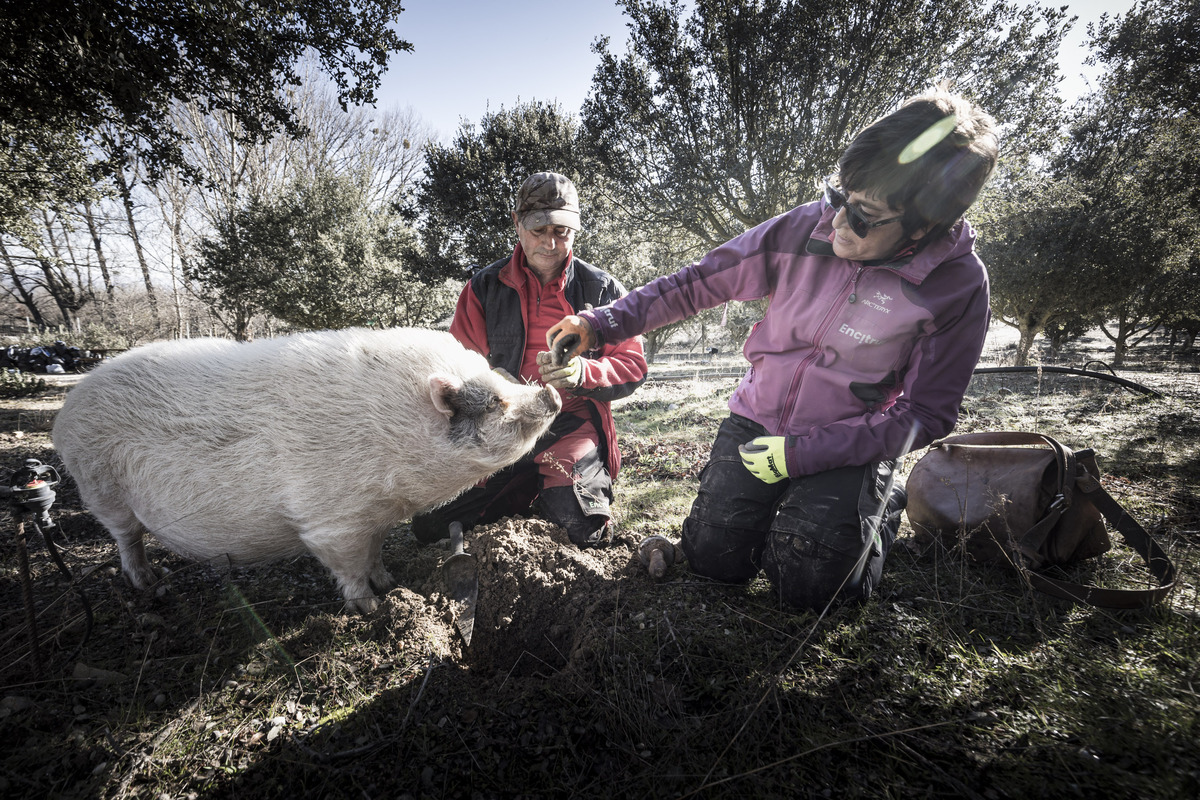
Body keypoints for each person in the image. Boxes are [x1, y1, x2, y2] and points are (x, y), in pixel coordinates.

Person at [549, 88, 999, 609]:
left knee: (814, 590)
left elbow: (926, 414)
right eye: (839, 197)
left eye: (863, 216)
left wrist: (801, 456)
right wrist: (601, 322)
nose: (834, 223)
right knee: (713, 565)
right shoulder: (803, 225)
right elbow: (698, 282)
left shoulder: (958, 285)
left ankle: (877, 504)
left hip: (846, 441)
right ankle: (782, 517)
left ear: (923, 226)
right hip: (755, 421)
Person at [411, 171, 648, 548]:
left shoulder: (602, 288)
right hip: (502, 421)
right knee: (432, 525)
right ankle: (524, 484)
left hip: (572, 423)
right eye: (538, 230)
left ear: (575, 229)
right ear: (517, 224)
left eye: (562, 231)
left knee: (579, 530)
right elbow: (456, 361)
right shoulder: (483, 288)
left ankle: (547, 488)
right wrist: (491, 380)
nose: (550, 244)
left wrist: (582, 372)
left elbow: (632, 364)